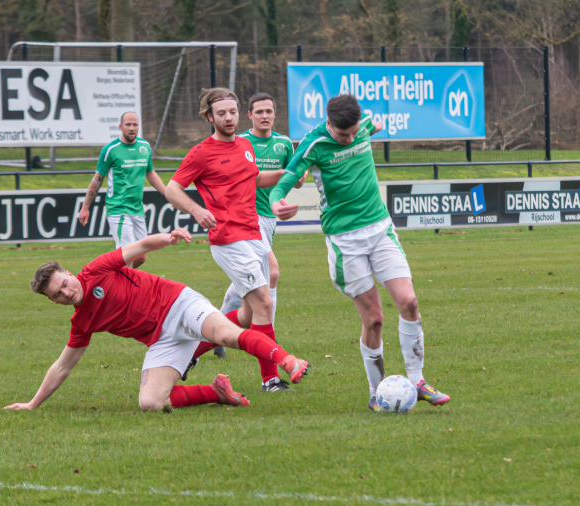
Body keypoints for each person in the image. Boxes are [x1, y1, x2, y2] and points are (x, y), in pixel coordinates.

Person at [269, 94, 450, 410]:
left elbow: (371, 124)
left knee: (409, 302)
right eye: (344, 135)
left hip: (380, 229)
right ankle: (377, 391)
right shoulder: (314, 144)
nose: (351, 138)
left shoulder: (363, 124)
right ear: (329, 123)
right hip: (345, 241)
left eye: (354, 132)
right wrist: (277, 202)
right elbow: (284, 180)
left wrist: (372, 127)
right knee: (375, 321)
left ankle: (418, 380)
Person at [3, 229, 311, 412]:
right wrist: (32, 404)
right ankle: (217, 392)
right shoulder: (81, 322)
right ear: (53, 301)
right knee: (150, 402)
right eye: (58, 294)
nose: (66, 293)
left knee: (226, 336)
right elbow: (62, 367)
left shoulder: (96, 269)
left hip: (178, 303)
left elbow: (142, 247)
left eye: (64, 284)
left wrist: (169, 237)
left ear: (69, 274)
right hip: (163, 340)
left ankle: (287, 361)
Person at [164, 88, 297, 393]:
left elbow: (254, 179)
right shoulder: (201, 152)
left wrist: (286, 175)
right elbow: (173, 188)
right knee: (264, 303)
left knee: (249, 315)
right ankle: (271, 380)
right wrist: (197, 210)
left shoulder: (245, 146)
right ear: (209, 117)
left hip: (254, 234)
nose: (228, 118)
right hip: (228, 240)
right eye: (221, 113)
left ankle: (191, 352)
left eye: (233, 112)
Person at [212, 93, 307, 384]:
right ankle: (266, 342)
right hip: (245, 217)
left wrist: (297, 176)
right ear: (250, 115)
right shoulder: (240, 143)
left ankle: (212, 327)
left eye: (270, 111)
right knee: (270, 275)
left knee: (249, 284)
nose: (265, 116)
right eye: (260, 111)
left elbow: (294, 177)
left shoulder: (282, 143)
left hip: (267, 218)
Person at [78, 111, 166, 269]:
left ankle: (114, 279)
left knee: (142, 257)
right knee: (127, 256)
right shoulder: (110, 150)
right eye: (128, 125)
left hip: (137, 209)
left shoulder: (144, 147)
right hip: (118, 209)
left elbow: (150, 173)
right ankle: (123, 291)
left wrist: (168, 193)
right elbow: (97, 180)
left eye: (135, 125)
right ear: (120, 127)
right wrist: (85, 207)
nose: (132, 128)